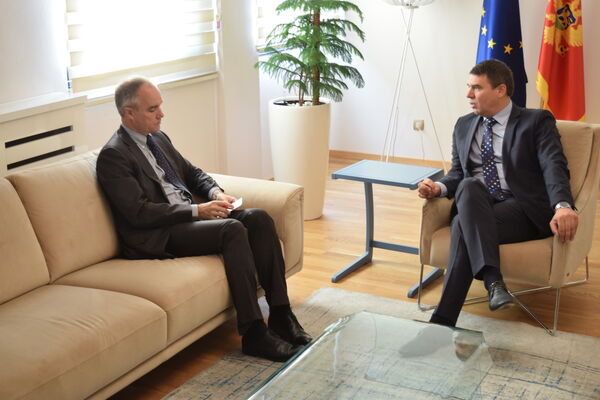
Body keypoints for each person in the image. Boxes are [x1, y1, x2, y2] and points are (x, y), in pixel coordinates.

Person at [97, 77, 312, 362]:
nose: (161, 114)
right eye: (152, 109)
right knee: (231, 229)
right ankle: (253, 333)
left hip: (187, 220)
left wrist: (216, 193)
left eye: (160, 106)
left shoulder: (158, 138)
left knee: (258, 218)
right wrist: (198, 211)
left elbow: (192, 172)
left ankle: (282, 315)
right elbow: (139, 212)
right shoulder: (114, 155)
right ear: (128, 113)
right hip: (158, 234)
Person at [417, 59, 578, 328]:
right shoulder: (464, 125)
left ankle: (443, 321)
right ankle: (493, 283)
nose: (468, 94)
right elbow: (457, 173)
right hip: (477, 203)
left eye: (477, 88)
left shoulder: (536, 121)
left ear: (500, 90)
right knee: (469, 185)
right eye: (469, 87)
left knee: (462, 225)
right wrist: (439, 187)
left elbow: (554, 166)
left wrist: (563, 205)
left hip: (522, 209)